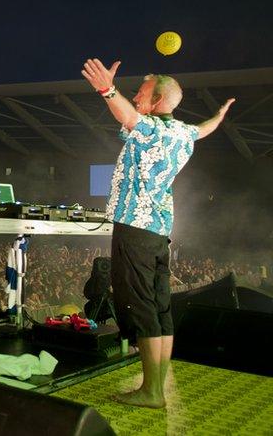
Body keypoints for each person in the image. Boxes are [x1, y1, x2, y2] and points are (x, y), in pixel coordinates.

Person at [81, 59, 235, 409]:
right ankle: (157, 387)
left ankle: (151, 392)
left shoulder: (153, 128)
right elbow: (203, 129)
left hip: (135, 228)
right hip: (159, 229)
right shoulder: (182, 132)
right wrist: (219, 117)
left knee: (141, 307)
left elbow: (126, 115)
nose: (136, 96)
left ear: (159, 100)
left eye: (143, 93)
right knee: (160, 308)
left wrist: (107, 89)